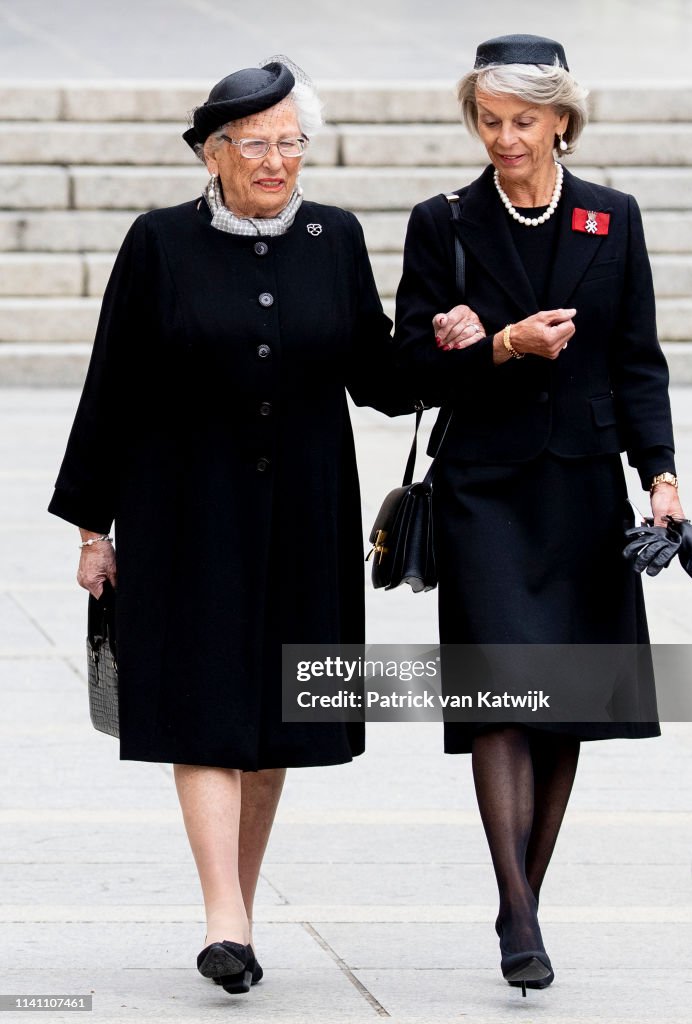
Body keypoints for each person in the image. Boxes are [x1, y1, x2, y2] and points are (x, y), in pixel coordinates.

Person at [48, 56, 468, 997]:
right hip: (185, 510)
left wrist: (440, 346)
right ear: (212, 153)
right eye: (256, 144)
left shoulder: (336, 235)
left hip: (307, 514)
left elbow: (377, 377)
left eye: (292, 143)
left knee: (281, 716)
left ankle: (235, 903)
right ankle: (225, 914)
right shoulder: (157, 243)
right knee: (203, 705)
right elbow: (110, 385)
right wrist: (91, 527)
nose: (277, 162)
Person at [394, 34, 684, 995]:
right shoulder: (445, 222)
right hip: (482, 487)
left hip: (583, 490)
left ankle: (525, 900)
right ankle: (517, 912)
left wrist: (663, 477)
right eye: (489, 120)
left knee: (561, 705)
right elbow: (403, 378)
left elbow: (639, 359)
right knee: (500, 696)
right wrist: (495, 348)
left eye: (523, 120)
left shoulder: (613, 215)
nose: (504, 138)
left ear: (562, 118)